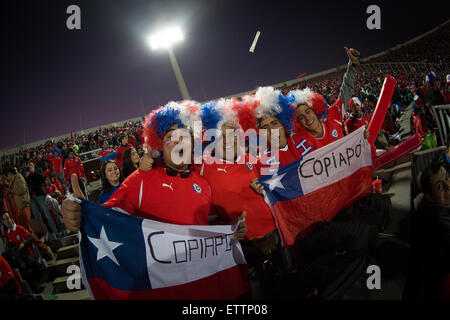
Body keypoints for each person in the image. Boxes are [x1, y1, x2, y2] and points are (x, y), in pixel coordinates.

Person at [62, 105, 249, 299]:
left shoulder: (203, 182)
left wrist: (232, 230)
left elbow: (212, 225)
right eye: (170, 138)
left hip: (205, 289)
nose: (177, 143)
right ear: (159, 145)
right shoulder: (140, 180)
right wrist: (79, 212)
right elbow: (108, 215)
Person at [290, 47, 361, 152]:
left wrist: (352, 64)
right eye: (301, 117)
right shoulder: (301, 142)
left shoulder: (333, 115)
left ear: (315, 110)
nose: (307, 118)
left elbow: (347, 89)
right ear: (298, 122)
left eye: (308, 111)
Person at [415, 161, 450, 299]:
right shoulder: (441, 226)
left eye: (447, 177)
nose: (448, 186)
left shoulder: (430, 205)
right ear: (428, 195)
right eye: (440, 186)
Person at [1, 211, 47, 293]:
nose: (6, 221)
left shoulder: (19, 228)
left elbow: (32, 238)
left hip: (26, 253)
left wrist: (23, 244)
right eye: (4, 220)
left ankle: (35, 285)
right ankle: (33, 288)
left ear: (11, 219)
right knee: (20, 268)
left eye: (7, 218)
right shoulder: (7, 234)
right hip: (18, 257)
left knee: (31, 267)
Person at [26, 162, 60, 237]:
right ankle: (45, 236)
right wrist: (27, 177)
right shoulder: (28, 176)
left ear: (33, 166)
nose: (30, 167)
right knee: (38, 218)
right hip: (32, 197)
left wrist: (33, 172)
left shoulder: (38, 171)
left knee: (47, 215)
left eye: (31, 166)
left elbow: (42, 179)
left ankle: (56, 232)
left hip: (40, 195)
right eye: (29, 167)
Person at [5, 168, 33, 232]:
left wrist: (12, 191)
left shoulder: (19, 178)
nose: (8, 177)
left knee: (28, 228)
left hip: (23, 206)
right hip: (18, 208)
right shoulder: (12, 181)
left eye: (8, 175)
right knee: (24, 229)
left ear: (10, 174)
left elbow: (21, 190)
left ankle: (36, 241)